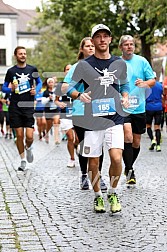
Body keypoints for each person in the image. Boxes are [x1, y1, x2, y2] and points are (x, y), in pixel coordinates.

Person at [57, 24, 129, 213]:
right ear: (93, 40)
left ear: (111, 40)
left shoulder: (119, 63)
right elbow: (66, 87)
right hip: (92, 119)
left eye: (106, 36)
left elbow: (125, 84)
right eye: (98, 37)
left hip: (114, 117)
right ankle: (97, 197)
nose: (102, 40)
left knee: (116, 156)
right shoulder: (84, 65)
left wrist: (126, 96)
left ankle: (113, 192)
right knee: (94, 161)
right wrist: (78, 95)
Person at [64, 37, 107, 191]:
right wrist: (78, 94)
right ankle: (84, 175)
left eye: (92, 46)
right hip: (81, 111)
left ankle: (98, 176)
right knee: (85, 145)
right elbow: (66, 87)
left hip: (100, 110)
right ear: (81, 49)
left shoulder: (102, 66)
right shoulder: (77, 67)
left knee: (98, 145)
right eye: (87, 46)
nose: (91, 48)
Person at [119, 35, 155, 186]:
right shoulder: (116, 62)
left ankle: (128, 167)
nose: (129, 47)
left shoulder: (142, 61)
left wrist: (144, 83)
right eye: (126, 44)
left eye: (131, 44)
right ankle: (130, 170)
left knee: (136, 141)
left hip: (139, 107)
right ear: (121, 47)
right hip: (122, 107)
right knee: (127, 137)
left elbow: (152, 81)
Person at [2, 46, 42, 171]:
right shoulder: (11, 71)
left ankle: (29, 148)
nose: (23, 55)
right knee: (19, 135)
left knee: (29, 136)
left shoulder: (32, 69)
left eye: (24, 53)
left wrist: (36, 90)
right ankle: (23, 159)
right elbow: (3, 87)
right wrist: (10, 89)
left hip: (28, 105)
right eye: (20, 54)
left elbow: (39, 82)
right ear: (16, 56)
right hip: (15, 106)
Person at [146, 72, 163, 152]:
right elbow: (163, 95)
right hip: (158, 107)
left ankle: (152, 140)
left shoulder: (147, 86)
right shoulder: (160, 85)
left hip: (149, 107)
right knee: (157, 127)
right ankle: (158, 145)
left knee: (148, 125)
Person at [42, 77, 60, 144]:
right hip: (48, 110)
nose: (51, 84)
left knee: (56, 122)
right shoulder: (45, 92)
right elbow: (43, 102)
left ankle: (56, 139)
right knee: (49, 125)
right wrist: (48, 98)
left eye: (52, 82)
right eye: (49, 82)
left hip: (55, 109)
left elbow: (59, 98)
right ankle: (47, 134)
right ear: (47, 84)